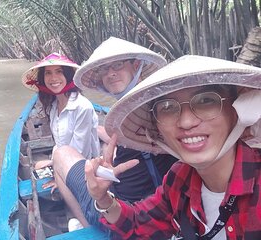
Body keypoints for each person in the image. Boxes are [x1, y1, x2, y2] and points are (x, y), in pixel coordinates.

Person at [86, 55, 261, 239]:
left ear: (237, 111)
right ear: (157, 128)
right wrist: (102, 198)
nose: (186, 122)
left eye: (205, 101)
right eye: (168, 107)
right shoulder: (179, 178)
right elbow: (139, 224)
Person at [51, 37, 178, 230]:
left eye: (118, 65)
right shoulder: (157, 101)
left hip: (127, 215)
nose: (111, 74)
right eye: (104, 70)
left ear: (136, 65)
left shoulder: (139, 110)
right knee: (106, 148)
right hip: (151, 204)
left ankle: (88, 226)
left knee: (60, 154)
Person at [21, 52, 100, 161]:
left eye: (59, 72)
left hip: (83, 168)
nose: (53, 78)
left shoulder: (82, 107)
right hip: (62, 163)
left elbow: (81, 153)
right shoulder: (53, 106)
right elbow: (59, 145)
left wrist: (53, 164)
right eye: (48, 73)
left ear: (68, 76)